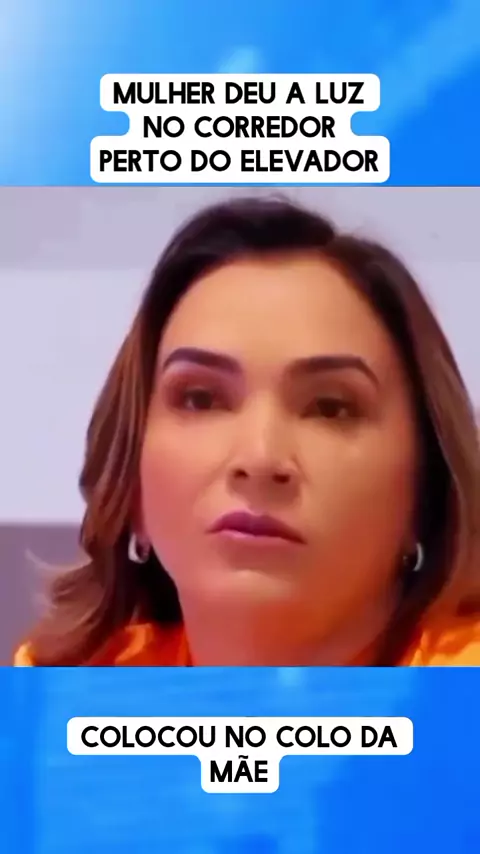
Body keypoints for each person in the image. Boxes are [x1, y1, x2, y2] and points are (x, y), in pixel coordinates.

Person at [14, 196, 480, 667]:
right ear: (132, 487)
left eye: (329, 408)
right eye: (201, 399)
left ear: (427, 494)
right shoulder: (64, 683)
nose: (260, 458)